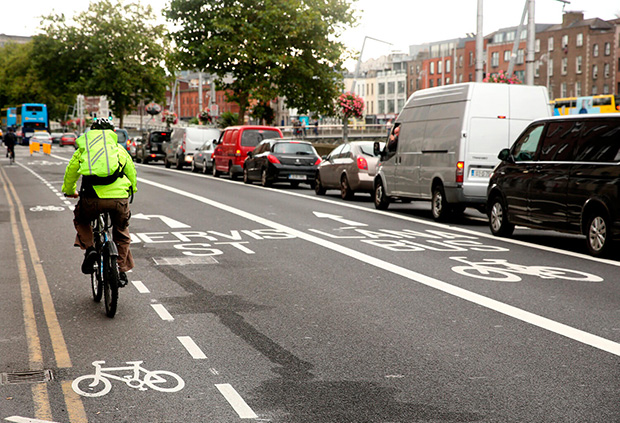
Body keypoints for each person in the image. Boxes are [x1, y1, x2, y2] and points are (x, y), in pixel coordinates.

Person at [61, 117, 137, 286]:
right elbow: (131, 172)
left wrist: (69, 190)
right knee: (122, 231)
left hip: (91, 199)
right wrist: (131, 190)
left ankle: (91, 249)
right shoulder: (118, 149)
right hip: (119, 200)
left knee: (81, 219)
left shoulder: (84, 149)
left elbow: (71, 171)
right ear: (113, 132)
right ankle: (120, 269)